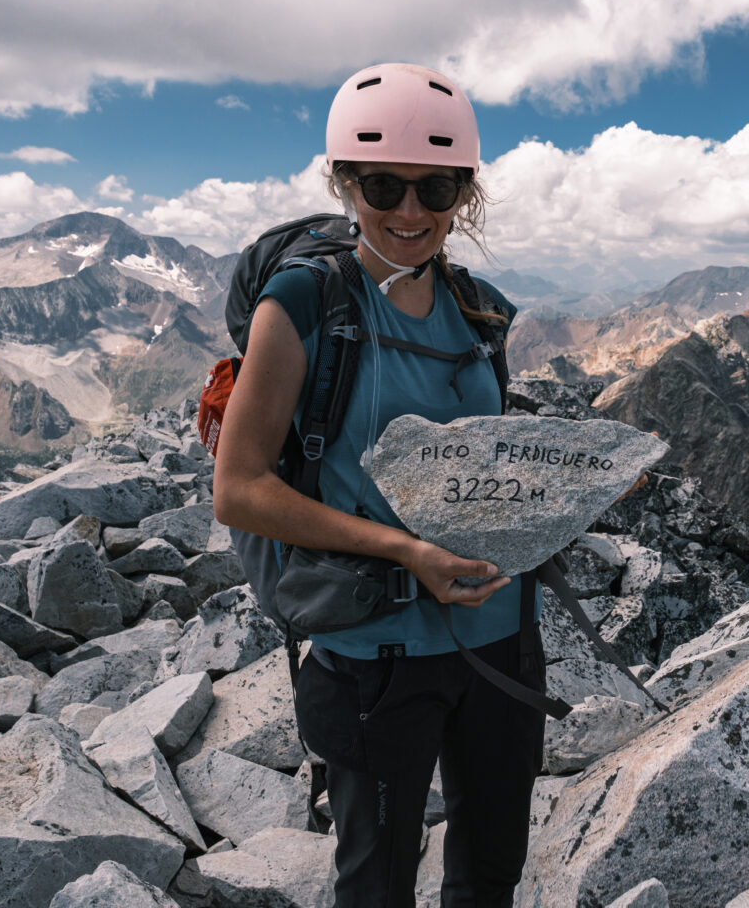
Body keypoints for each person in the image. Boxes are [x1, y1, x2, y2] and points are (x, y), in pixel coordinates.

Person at [212, 62, 543, 907]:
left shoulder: (482, 310)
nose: (409, 212)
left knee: (491, 872)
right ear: (345, 183)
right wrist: (406, 551)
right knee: (377, 881)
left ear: (462, 194)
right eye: (383, 185)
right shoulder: (304, 303)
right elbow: (239, 488)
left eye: (436, 190)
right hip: (377, 650)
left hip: (499, 638)